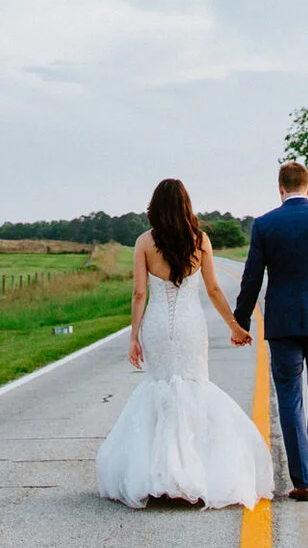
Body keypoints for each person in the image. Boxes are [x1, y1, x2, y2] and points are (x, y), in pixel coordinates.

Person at [95, 178, 273, 510]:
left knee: (160, 386)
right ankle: (193, 472)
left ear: (155, 208)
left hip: (157, 325)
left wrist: (134, 337)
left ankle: (159, 477)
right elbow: (214, 289)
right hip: (191, 325)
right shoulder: (199, 240)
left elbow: (139, 294)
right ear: (185, 206)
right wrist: (234, 326)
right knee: (193, 386)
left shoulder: (144, 242)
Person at [231, 160, 308, 501]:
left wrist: (240, 321)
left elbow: (252, 277)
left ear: (280, 188)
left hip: (283, 323)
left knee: (289, 397)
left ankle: (302, 479)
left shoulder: (265, 224)